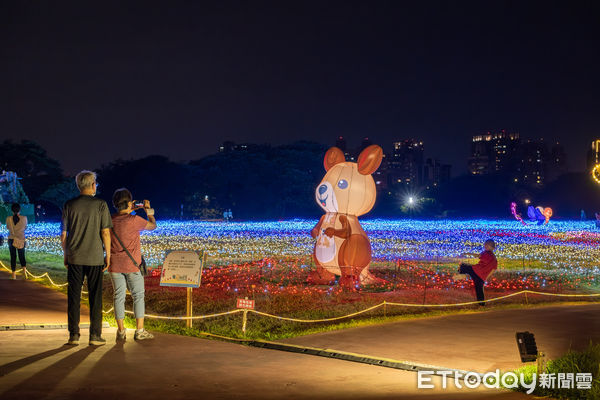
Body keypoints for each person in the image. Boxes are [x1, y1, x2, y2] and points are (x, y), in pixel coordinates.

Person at [61, 170, 112, 346]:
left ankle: (74, 335)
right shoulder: (101, 204)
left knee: (74, 297)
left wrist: (66, 255)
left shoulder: (69, 205)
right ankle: (95, 335)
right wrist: (108, 256)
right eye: (95, 183)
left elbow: (63, 235)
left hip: (75, 257)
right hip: (95, 257)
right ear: (92, 185)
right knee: (95, 297)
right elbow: (105, 232)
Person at [109, 188, 156, 341]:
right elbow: (152, 225)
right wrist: (148, 211)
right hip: (132, 265)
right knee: (138, 296)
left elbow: (124, 216)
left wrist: (131, 209)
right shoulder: (134, 220)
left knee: (118, 296)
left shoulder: (110, 219)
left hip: (115, 265)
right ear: (129, 202)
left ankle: (121, 331)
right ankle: (140, 330)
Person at [453, 239, 498, 306]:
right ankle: (481, 305)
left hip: (475, 270)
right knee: (479, 291)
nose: (485, 246)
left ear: (489, 246)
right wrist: (487, 277)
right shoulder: (494, 259)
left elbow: (478, 256)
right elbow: (493, 269)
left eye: (486, 245)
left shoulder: (486, 253)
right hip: (481, 277)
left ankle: (464, 275)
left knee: (463, 266)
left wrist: (468, 253)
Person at [6, 203, 27, 280]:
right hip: (21, 239)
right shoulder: (24, 218)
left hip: (11, 239)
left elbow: (8, 228)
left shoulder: (8, 219)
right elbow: (25, 227)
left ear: (12, 210)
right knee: (22, 256)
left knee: (13, 257)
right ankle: (24, 272)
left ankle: (13, 275)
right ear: (19, 210)